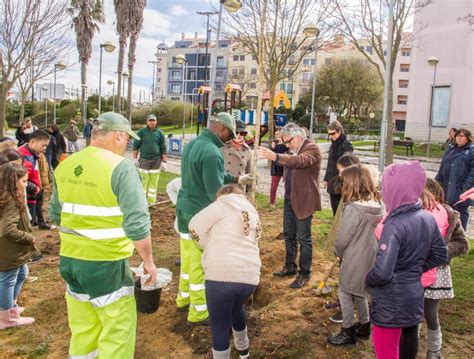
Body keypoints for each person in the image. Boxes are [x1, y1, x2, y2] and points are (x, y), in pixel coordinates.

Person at [48, 112, 158, 358]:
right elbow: (138, 224)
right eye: (126, 139)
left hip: (70, 262)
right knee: (117, 329)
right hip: (106, 264)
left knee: (85, 328)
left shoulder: (65, 165)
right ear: (117, 136)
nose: (128, 144)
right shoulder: (121, 169)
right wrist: (148, 262)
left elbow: (55, 214)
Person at [175, 112, 253, 326]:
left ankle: (183, 298)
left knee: (187, 258)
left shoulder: (194, 144)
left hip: (184, 209)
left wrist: (237, 179)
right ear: (221, 128)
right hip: (199, 215)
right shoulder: (212, 152)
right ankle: (199, 312)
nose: (230, 138)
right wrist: (235, 206)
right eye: (230, 133)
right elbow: (215, 191)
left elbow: (212, 174)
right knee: (201, 263)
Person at [366, 161, 448, 359]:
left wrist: (368, 278)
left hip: (391, 301)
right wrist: (414, 269)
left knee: (386, 350)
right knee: (410, 336)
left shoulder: (393, 224)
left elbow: (383, 272)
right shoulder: (426, 217)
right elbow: (440, 254)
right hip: (414, 294)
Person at [189, 184, 261, 359]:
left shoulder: (222, 204)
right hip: (249, 277)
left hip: (221, 275)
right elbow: (256, 239)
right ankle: (244, 352)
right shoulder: (253, 212)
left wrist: (209, 245)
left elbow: (193, 227)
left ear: (223, 194)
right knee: (237, 309)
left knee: (220, 324)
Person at [258, 123, 322, 289]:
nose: (286, 145)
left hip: (304, 202)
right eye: (284, 143)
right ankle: (290, 266)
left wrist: (276, 157)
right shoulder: (293, 149)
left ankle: (305, 273)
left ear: (298, 137)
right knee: (289, 234)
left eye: (288, 142)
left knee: (304, 238)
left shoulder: (311, 148)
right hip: (289, 200)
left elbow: (300, 161)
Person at [327, 164, 383, 346]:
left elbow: (343, 238)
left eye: (343, 184)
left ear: (351, 184)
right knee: (359, 291)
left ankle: (348, 331)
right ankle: (365, 325)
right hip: (371, 256)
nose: (342, 187)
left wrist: (339, 252)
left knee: (344, 292)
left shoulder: (353, 209)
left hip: (354, 257)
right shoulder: (378, 203)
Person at [416, 179, 469, 359]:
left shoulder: (449, 215)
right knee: (413, 312)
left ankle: (434, 351)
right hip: (415, 272)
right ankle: (411, 346)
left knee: (430, 313)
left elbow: (463, 244)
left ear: (435, 194)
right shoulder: (415, 212)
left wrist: (440, 252)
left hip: (437, 273)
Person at [0, 163, 41, 329]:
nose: (26, 185)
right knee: (8, 280)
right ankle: (6, 316)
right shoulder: (10, 200)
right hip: (10, 249)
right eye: (23, 181)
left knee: (22, 273)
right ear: (13, 181)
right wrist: (28, 237)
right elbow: (8, 230)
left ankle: (10, 306)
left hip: (14, 249)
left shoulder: (7, 196)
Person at [435, 128, 473, 230]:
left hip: (461, 189)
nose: (459, 138)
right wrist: (437, 182)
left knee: (460, 213)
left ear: (467, 138)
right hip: (446, 187)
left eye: (462, 136)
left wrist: (466, 186)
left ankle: (461, 236)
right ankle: (449, 237)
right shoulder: (451, 149)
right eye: (458, 136)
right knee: (447, 213)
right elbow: (443, 166)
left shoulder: (470, 151)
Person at [17, 130, 52, 230]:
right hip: (28, 195)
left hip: (34, 191)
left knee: (32, 218)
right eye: (43, 145)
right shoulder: (25, 156)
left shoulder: (34, 154)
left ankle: (36, 222)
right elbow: (19, 178)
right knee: (27, 225)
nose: (45, 149)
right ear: (32, 142)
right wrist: (35, 188)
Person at [133, 114, 167, 205]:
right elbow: (136, 146)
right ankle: (142, 202)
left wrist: (164, 161)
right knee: (143, 182)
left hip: (156, 161)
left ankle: (151, 203)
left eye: (154, 121)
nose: (152, 122)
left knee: (153, 184)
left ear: (156, 122)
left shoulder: (160, 133)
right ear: (147, 122)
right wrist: (135, 159)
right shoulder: (141, 132)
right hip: (144, 160)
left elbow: (163, 147)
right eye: (150, 121)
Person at [323, 120, 353, 215]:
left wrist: (346, 181)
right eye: (329, 134)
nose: (331, 136)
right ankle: (336, 227)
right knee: (334, 209)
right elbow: (330, 162)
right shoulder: (332, 146)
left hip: (342, 181)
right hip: (332, 180)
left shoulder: (346, 144)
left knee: (343, 209)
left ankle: (342, 228)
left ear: (339, 131)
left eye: (333, 133)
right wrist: (326, 179)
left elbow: (349, 164)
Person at [269, 128, 288, 208]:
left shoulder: (287, 144)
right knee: (273, 186)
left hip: (284, 168)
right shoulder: (274, 144)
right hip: (276, 168)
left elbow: (289, 154)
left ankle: (287, 202)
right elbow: (271, 156)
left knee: (288, 186)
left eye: (279, 134)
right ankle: (272, 202)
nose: (277, 136)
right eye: (276, 134)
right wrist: (272, 148)